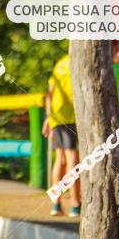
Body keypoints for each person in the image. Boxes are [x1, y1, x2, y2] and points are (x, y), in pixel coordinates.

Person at [43, 52, 79, 217]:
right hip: (71, 114)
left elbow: (49, 94)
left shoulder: (60, 64)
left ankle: (56, 204)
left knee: (60, 159)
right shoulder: (80, 60)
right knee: (72, 159)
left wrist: (48, 118)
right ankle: (75, 204)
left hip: (56, 116)